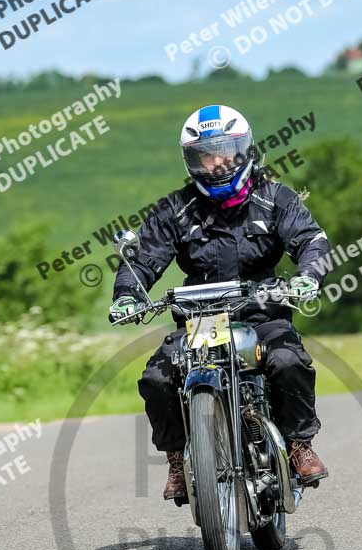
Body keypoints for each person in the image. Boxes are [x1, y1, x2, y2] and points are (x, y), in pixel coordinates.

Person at [109, 104, 332, 500]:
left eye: (224, 151)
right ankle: (178, 460)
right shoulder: (174, 211)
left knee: (288, 361)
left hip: (262, 312)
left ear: (244, 151)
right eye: (204, 155)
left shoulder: (275, 199)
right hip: (202, 319)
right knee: (157, 377)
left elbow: (311, 241)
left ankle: (299, 445)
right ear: (191, 160)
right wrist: (128, 294)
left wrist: (307, 276)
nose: (215, 163)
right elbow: (143, 260)